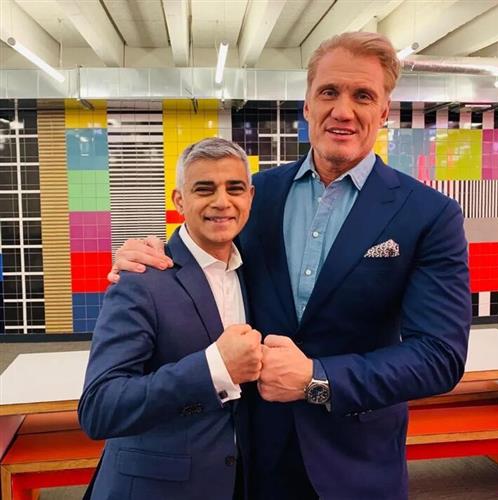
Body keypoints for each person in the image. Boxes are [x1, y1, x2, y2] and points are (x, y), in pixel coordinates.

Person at [110, 32, 471, 500]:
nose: (343, 110)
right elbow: (200, 252)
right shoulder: (255, 195)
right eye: (329, 92)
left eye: (363, 96)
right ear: (307, 104)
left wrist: (317, 379)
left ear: (384, 111)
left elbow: (439, 357)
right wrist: (146, 252)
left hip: (357, 458)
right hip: (255, 452)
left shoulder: (428, 215)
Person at [79, 137, 262, 500]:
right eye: (204, 189)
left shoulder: (253, 271)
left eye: (235, 188)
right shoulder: (141, 279)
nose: (222, 201)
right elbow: (100, 407)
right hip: (156, 487)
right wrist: (215, 368)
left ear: (250, 197)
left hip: (235, 482)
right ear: (179, 200)